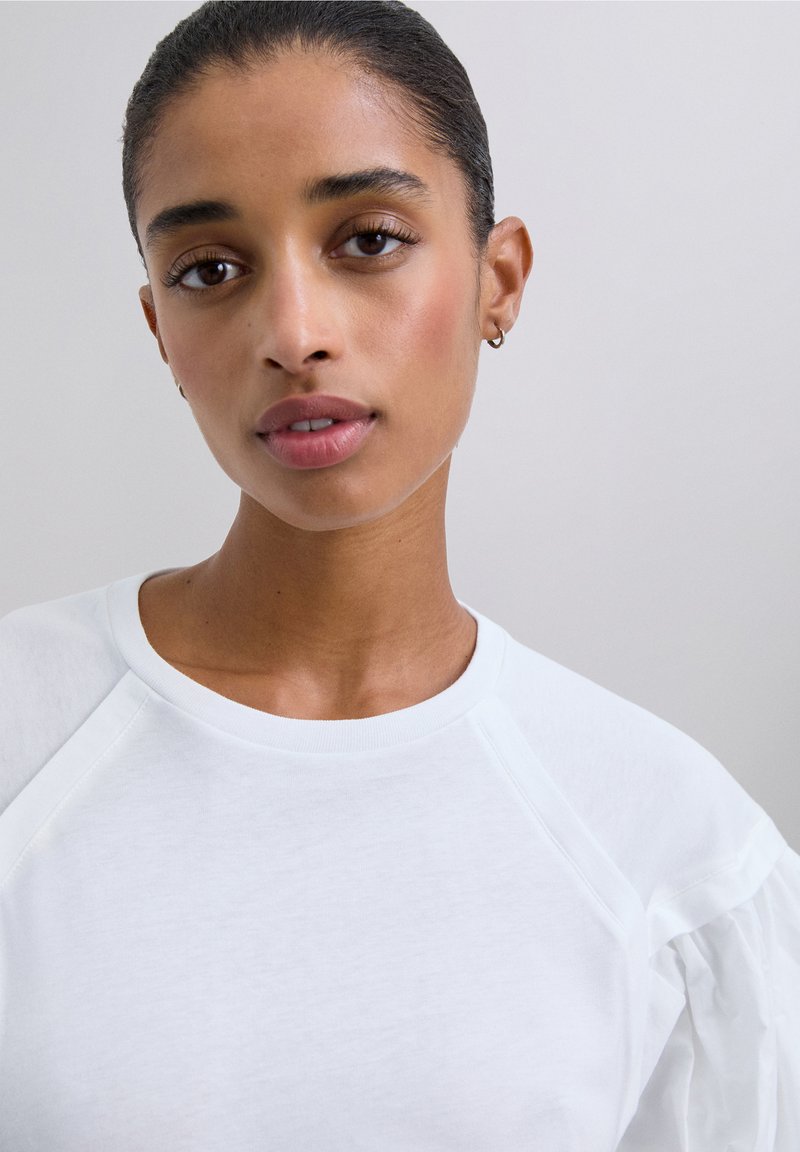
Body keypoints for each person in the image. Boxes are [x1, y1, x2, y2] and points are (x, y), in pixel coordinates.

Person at [0, 1, 797, 1148]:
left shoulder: (675, 854)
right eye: (209, 268)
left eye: (367, 241)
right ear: (160, 328)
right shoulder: (23, 736)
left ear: (497, 279)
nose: (292, 332)